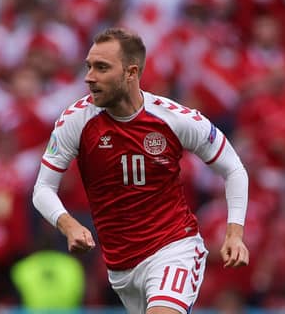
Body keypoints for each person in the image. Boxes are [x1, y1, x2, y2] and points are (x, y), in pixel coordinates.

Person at [33, 27, 250, 314]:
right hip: (122, 268)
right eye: (88, 67)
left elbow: (234, 168)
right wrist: (69, 225)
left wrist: (234, 233)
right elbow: (42, 189)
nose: (89, 77)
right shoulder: (76, 121)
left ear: (131, 73)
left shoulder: (175, 119)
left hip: (174, 248)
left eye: (101, 68)